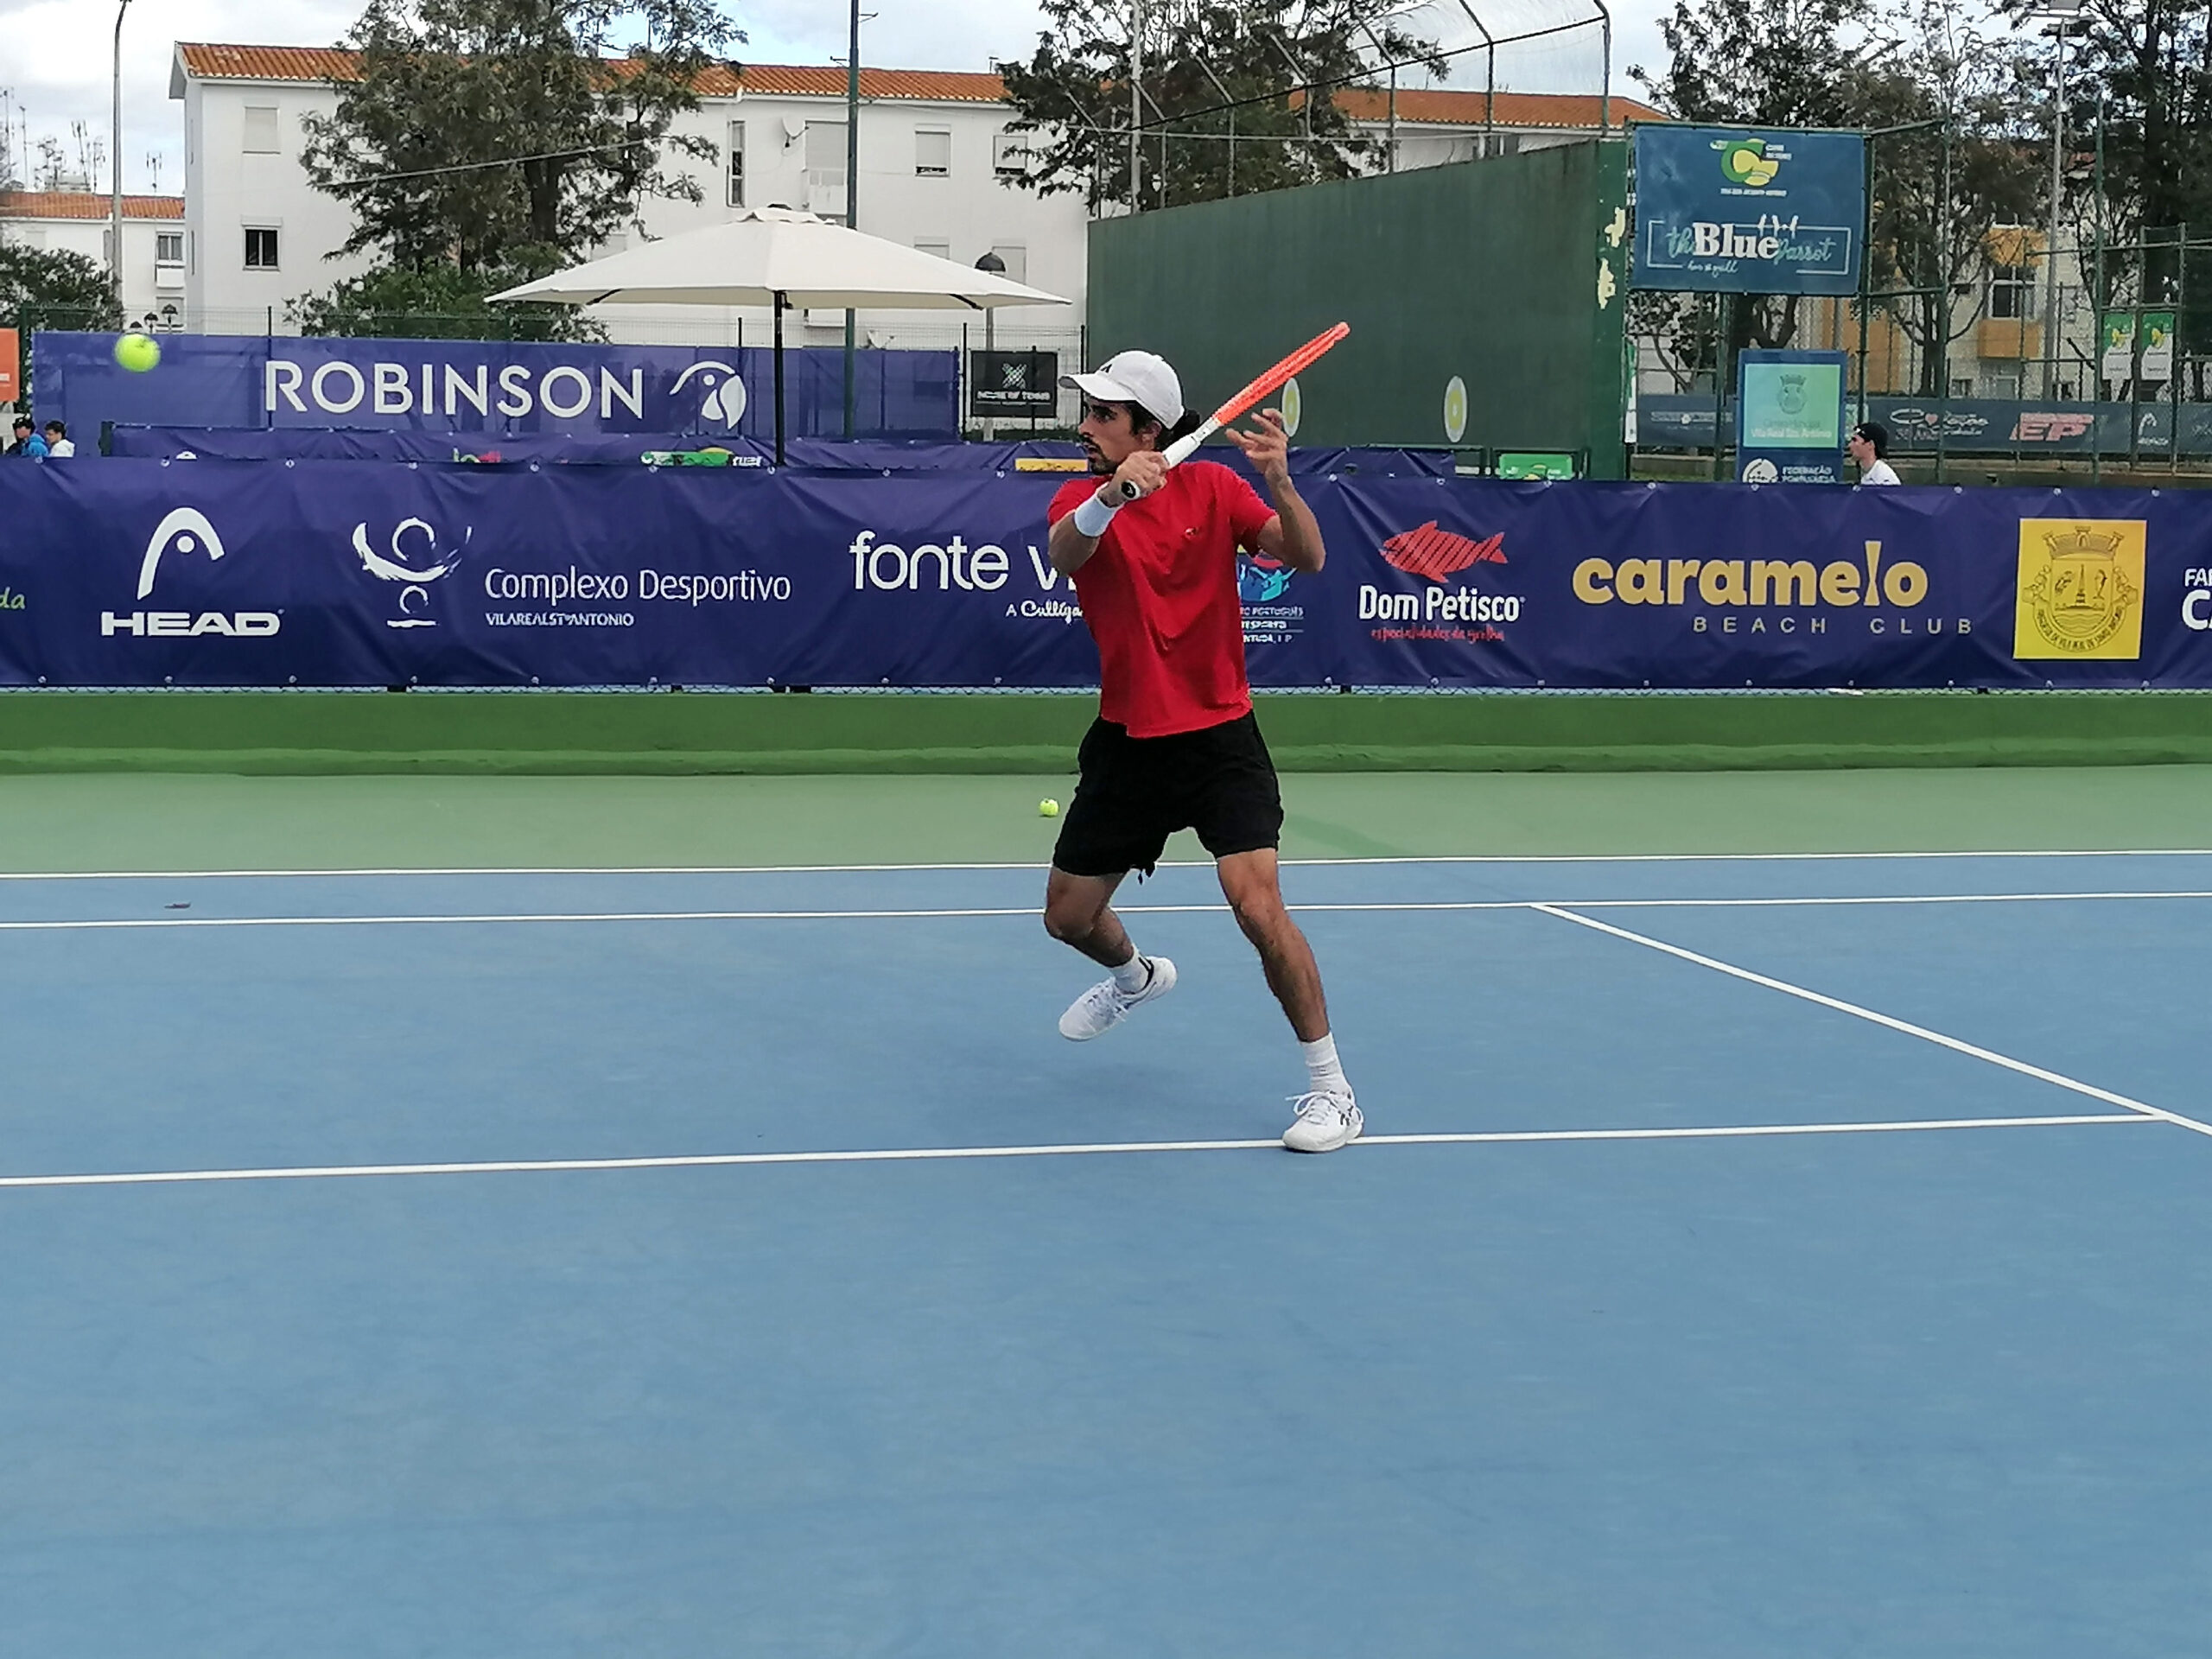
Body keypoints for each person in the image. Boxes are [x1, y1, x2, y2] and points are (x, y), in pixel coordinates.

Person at [1040, 349, 1361, 1154]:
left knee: (1257, 907)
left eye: (1104, 415)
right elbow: (1064, 554)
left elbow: (1308, 557)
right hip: (1128, 742)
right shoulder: (1083, 497)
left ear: (1149, 429)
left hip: (1219, 736)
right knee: (1067, 919)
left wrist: (1280, 481)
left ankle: (1333, 1091)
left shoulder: (1215, 489)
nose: (1086, 425)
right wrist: (1114, 494)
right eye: (1089, 411)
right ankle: (1136, 977)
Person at [1848, 421, 1900, 486]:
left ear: (1870, 445)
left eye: (1855, 440)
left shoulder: (1884, 479)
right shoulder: (1866, 473)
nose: (1850, 445)